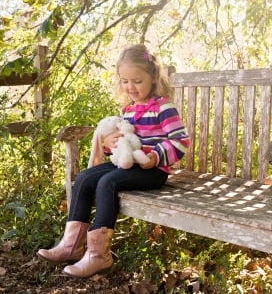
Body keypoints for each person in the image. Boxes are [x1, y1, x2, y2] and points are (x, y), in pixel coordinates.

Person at [36, 44, 190, 278]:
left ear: (153, 77)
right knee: (86, 178)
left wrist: (155, 156)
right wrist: (110, 144)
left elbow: (181, 141)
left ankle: (99, 256)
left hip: (152, 170)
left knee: (107, 182)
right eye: (125, 81)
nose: (131, 87)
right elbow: (124, 144)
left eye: (137, 81)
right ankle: (71, 245)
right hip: (128, 166)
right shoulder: (128, 109)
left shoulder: (163, 108)